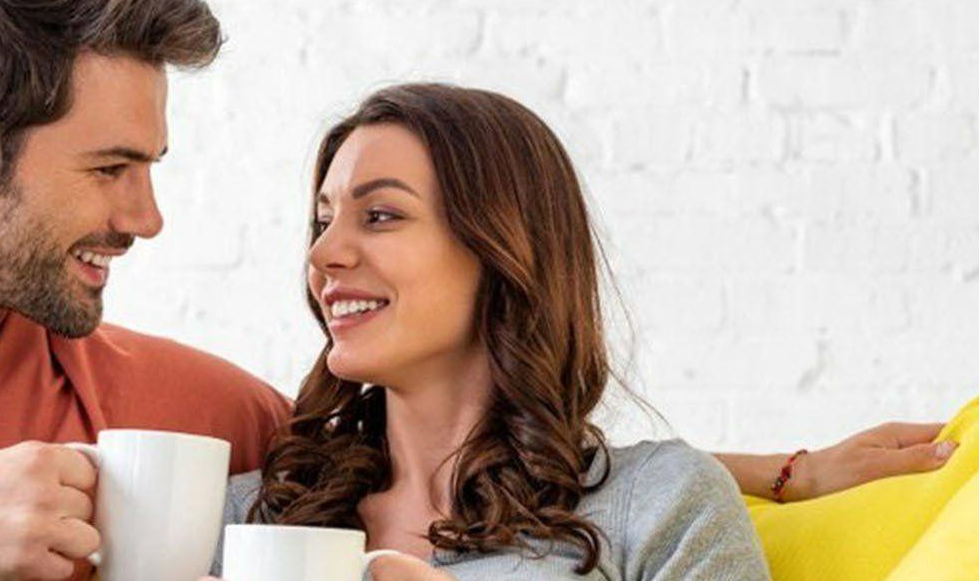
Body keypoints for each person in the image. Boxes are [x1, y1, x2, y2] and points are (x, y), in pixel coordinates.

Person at [0, 0, 955, 581]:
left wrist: (783, 470)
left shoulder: (154, 420)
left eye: (152, 170)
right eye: (113, 168)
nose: (147, 219)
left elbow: (446, 444)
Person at [214, 83, 773, 580]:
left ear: (502, 250)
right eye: (322, 220)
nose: (323, 253)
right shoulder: (246, 517)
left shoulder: (658, 502)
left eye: (380, 216)